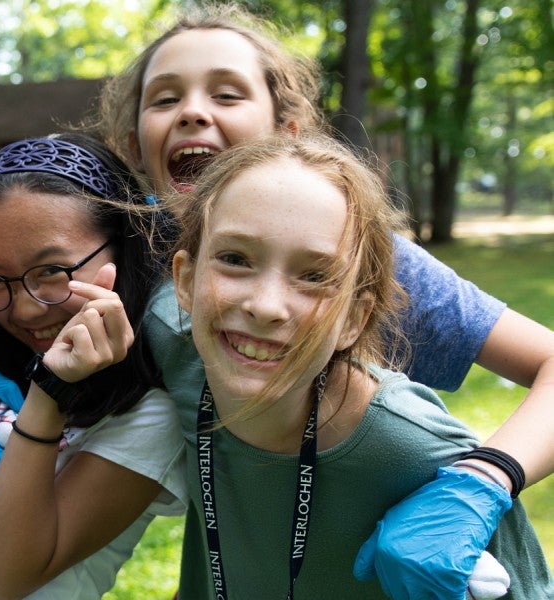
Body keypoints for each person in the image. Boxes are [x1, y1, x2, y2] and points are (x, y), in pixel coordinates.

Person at [91, 4, 554, 597]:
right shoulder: (136, 262)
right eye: (164, 99)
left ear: (287, 130)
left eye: (228, 94)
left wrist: (482, 479)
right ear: (134, 144)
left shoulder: (354, 248)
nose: (193, 112)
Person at [162, 131, 552, 598]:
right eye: (234, 259)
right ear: (184, 279)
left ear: (355, 318)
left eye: (315, 276)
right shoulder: (171, 346)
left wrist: (486, 477)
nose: (266, 305)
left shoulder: (418, 453)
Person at [0, 133, 186, 599]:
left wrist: (52, 392)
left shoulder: (147, 415)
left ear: (121, 247)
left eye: (52, 271)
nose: (26, 311)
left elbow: (0, 582)